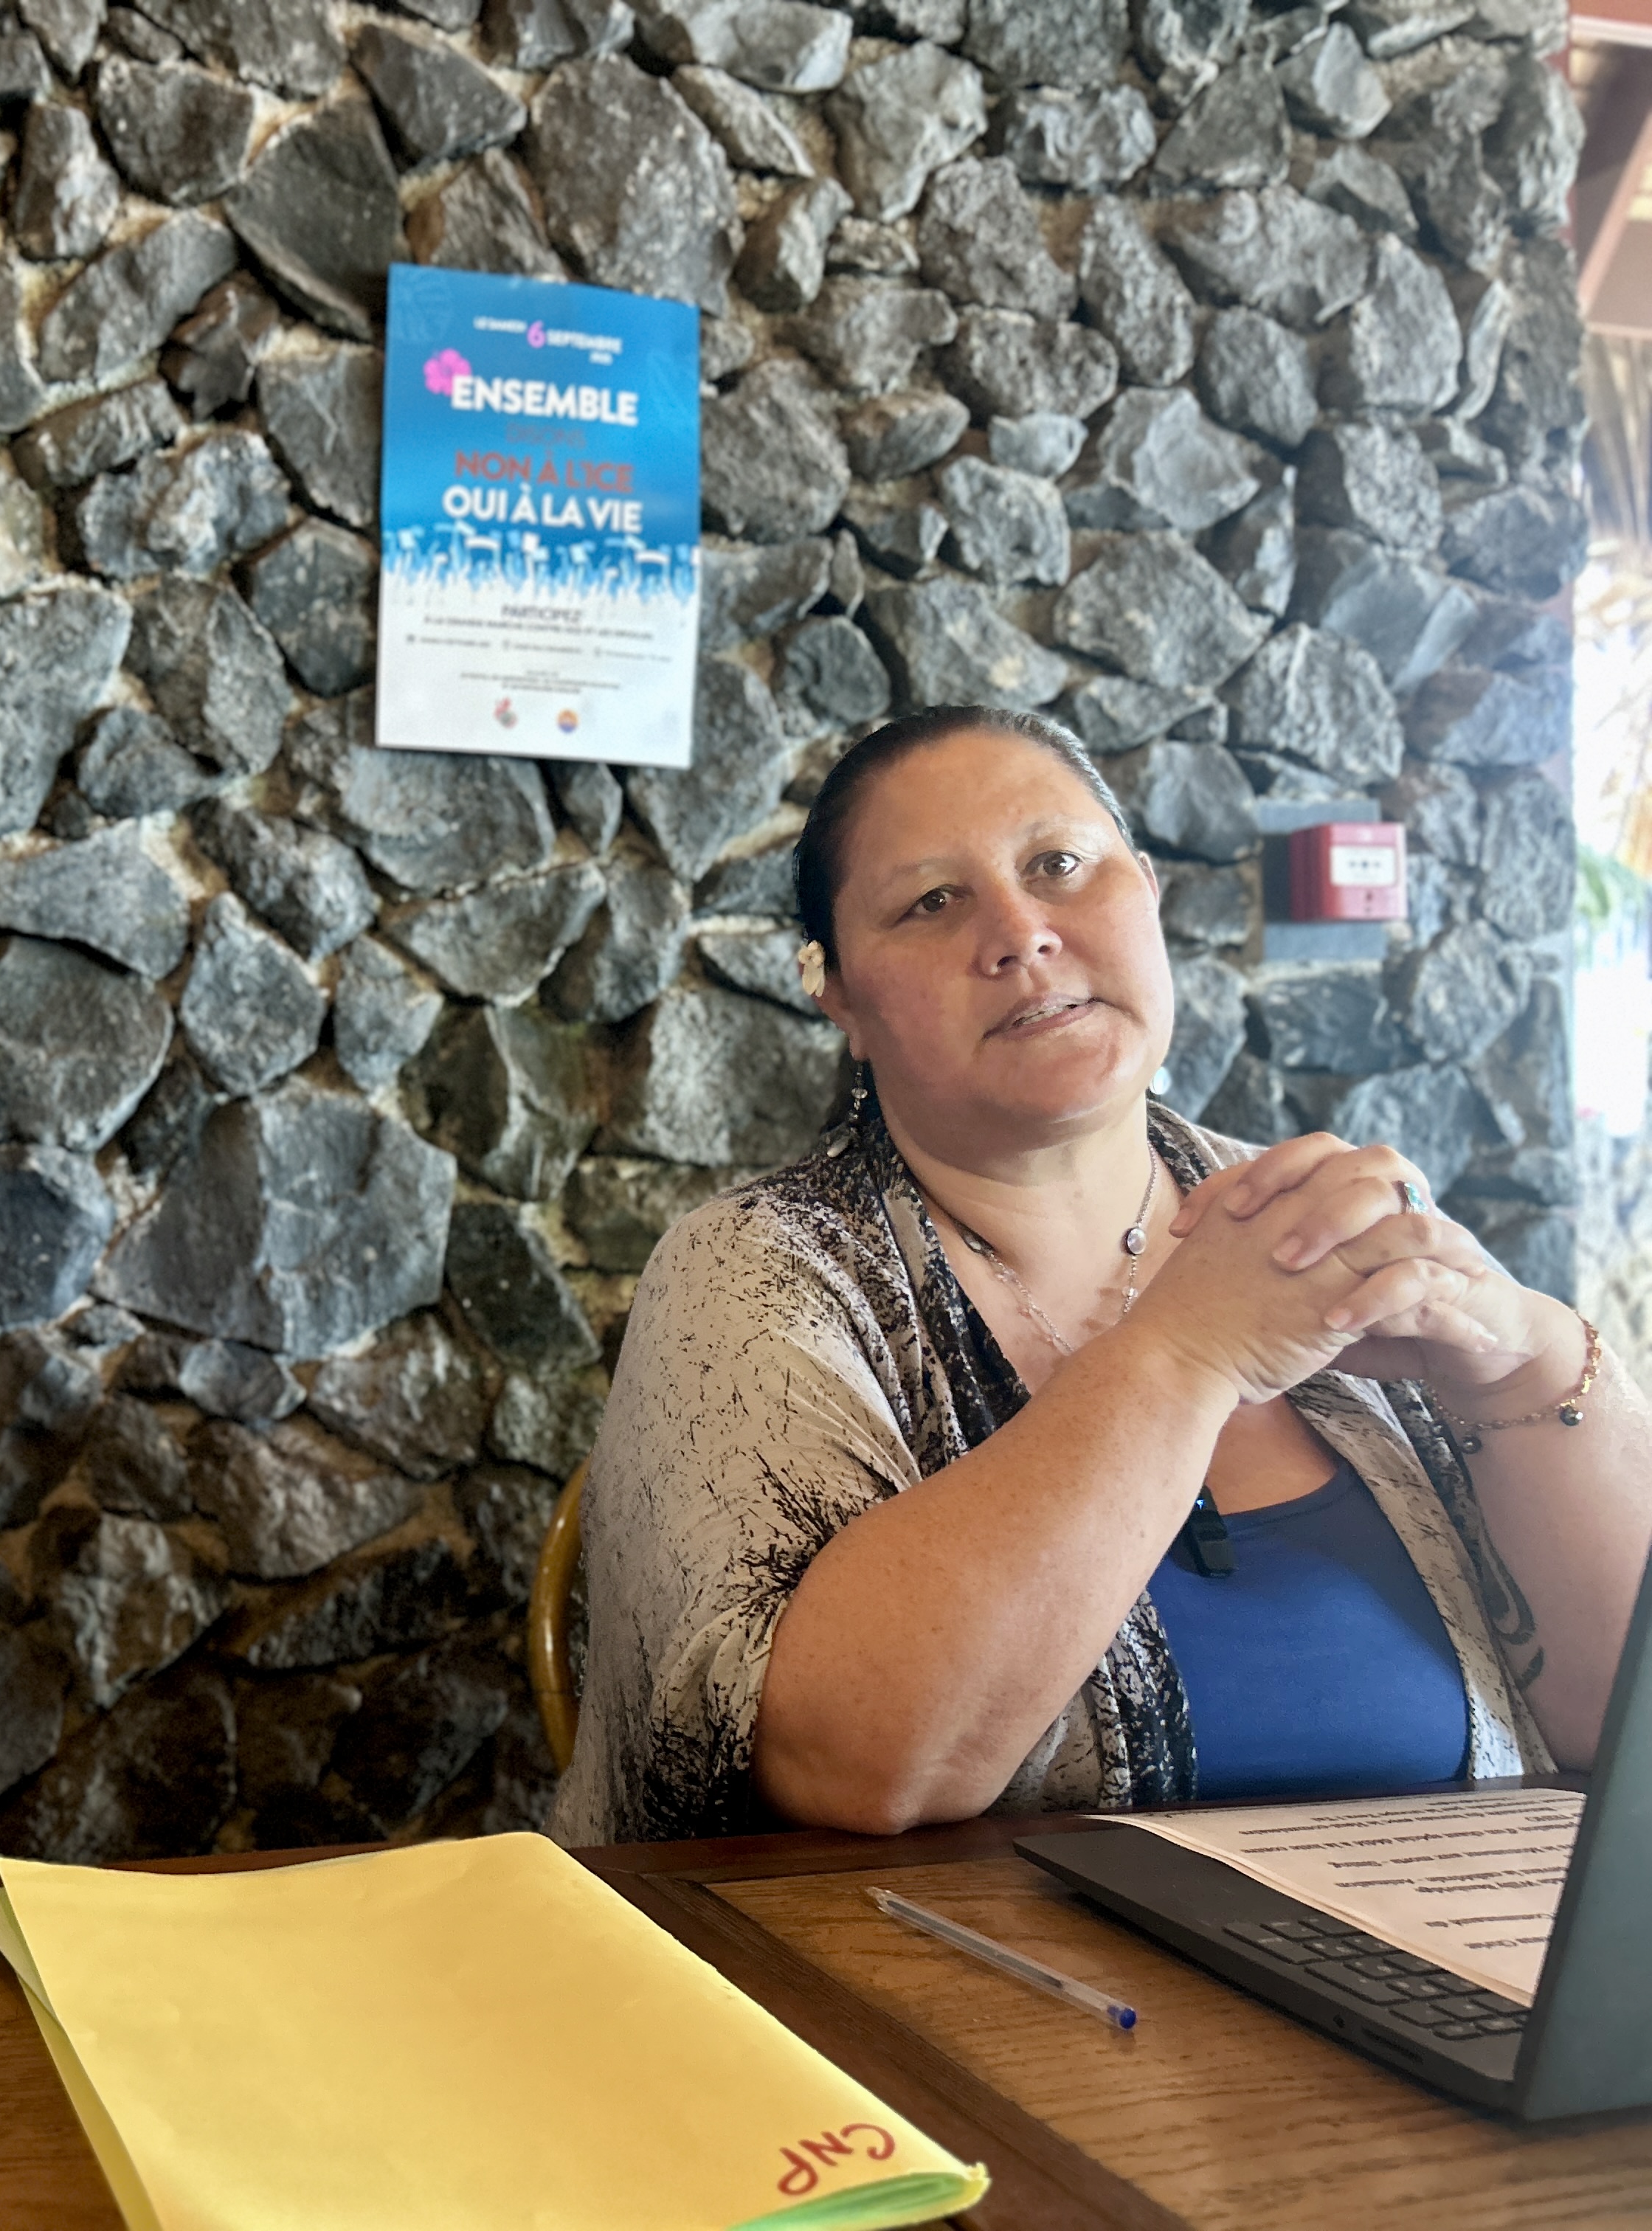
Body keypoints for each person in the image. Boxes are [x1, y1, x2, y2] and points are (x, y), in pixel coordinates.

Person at [552, 705, 1652, 1848]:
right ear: (843, 1000)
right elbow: (840, 1765)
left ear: (1149, 898)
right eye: (932, 901)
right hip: (927, 1963)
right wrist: (1185, 1356)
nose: (1021, 933)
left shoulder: (1323, 1211)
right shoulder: (757, 1270)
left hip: (1420, 1945)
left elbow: (1620, 1732)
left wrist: (1528, 1368)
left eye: (1059, 864)